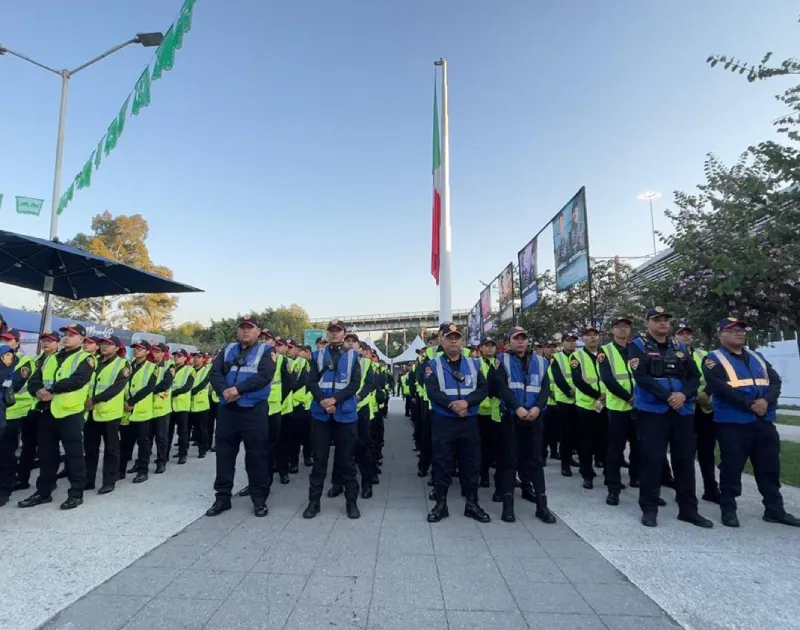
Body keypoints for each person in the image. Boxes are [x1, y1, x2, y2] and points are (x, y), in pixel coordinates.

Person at [703, 317, 800, 528]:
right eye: (733, 330)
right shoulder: (713, 359)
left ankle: (775, 510)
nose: (740, 333)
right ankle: (728, 509)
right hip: (733, 423)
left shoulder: (757, 356)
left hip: (763, 421)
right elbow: (719, 387)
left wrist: (766, 401)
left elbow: (775, 381)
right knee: (731, 467)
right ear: (721, 335)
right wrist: (749, 404)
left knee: (769, 467)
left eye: (742, 330)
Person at [628, 307, 712, 528]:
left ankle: (688, 509)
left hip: (682, 411)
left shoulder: (681, 347)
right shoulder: (637, 346)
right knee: (652, 461)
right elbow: (642, 377)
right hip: (653, 412)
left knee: (684, 461)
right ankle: (649, 508)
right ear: (647, 323)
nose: (663, 323)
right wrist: (668, 397)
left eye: (666, 319)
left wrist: (683, 395)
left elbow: (694, 376)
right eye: (657, 320)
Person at [19, 323, 95, 510]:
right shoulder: (51, 358)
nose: (66, 337)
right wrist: (38, 391)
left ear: (81, 339)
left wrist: (51, 390)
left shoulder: (86, 358)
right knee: (46, 455)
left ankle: (76, 493)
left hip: (70, 413)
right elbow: (35, 379)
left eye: (72, 335)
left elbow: (77, 381)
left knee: (74, 455)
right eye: (65, 334)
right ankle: (44, 492)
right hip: (47, 412)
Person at [207, 315, 276, 518]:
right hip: (228, 409)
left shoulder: (266, 351)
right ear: (238, 331)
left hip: (253, 411)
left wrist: (238, 390)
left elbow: (264, 376)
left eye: (250, 327)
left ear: (258, 331)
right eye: (242, 328)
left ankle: (259, 499)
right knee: (224, 455)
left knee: (257, 456)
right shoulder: (228, 349)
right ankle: (222, 498)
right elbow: (215, 373)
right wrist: (226, 391)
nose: (245, 331)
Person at [425, 322, 490, 524]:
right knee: (443, 462)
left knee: (471, 463)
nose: (453, 341)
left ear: (462, 342)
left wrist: (466, 403)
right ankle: (441, 505)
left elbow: (482, 389)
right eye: (449, 337)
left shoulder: (474, 363)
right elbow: (433, 391)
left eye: (457, 337)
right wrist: (453, 405)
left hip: (468, 421)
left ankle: (472, 504)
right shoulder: (433, 365)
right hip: (445, 421)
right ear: (441, 341)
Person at [491, 326, 557, 524]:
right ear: (508, 342)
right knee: (510, 460)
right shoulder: (501, 361)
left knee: (536, 461)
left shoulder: (541, 361)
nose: (521, 342)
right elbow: (502, 387)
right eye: (516, 338)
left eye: (524, 338)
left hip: (535, 417)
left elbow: (545, 388)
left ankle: (542, 507)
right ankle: (508, 507)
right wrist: (517, 408)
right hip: (512, 417)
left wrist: (537, 408)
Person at [303, 319, 362, 520]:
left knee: (347, 460)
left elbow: (355, 384)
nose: (335, 334)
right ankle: (314, 502)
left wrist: (335, 400)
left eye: (338, 331)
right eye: (331, 331)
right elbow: (310, 381)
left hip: (345, 413)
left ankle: (351, 502)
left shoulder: (354, 356)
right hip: (321, 413)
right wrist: (323, 401)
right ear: (328, 334)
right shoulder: (317, 354)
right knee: (319, 460)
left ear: (344, 333)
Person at [674, 322, 720, 503]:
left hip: (704, 408)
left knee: (707, 451)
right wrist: (691, 394)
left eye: (688, 334)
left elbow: (714, 376)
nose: (686, 337)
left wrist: (706, 393)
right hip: (685, 409)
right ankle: (682, 491)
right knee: (684, 453)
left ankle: (711, 489)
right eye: (681, 334)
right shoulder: (671, 354)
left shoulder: (703, 355)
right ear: (675, 337)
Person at [598, 317, 638, 506]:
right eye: (618, 327)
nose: (623, 329)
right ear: (612, 330)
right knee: (616, 449)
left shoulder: (638, 348)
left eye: (626, 326)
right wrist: (628, 397)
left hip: (640, 406)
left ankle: (636, 478)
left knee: (639, 447)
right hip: (618, 407)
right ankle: (613, 487)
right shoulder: (605, 351)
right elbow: (607, 379)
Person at [84, 335, 129, 494]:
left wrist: (94, 400)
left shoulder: (123, 364)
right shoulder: (93, 361)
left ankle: (109, 481)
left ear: (117, 348)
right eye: (102, 343)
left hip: (109, 413)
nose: (104, 346)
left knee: (111, 449)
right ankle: (88, 480)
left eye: (109, 344)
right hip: (91, 412)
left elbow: (117, 387)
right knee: (90, 448)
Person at [15, 331, 60, 491]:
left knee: (46, 449)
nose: (45, 343)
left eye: (50, 340)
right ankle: (22, 480)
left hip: (50, 409)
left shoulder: (60, 360)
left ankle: (48, 483)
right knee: (28, 447)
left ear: (58, 343)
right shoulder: (36, 360)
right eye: (43, 340)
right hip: (32, 409)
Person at [0, 329, 35, 506]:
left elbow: (14, 384)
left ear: (17, 342)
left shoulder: (24, 361)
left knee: (6, 451)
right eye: (1, 338)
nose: (3, 342)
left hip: (15, 411)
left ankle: (5, 488)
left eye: (8, 340)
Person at [121, 341, 157, 483]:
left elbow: (149, 388)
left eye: (140, 349)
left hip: (141, 410)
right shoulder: (128, 366)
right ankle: (120, 471)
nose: (136, 351)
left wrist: (131, 402)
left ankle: (143, 471)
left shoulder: (152, 367)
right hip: (126, 410)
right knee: (125, 442)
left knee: (143, 442)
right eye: (135, 348)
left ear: (147, 351)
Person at [550, 333, 579, 476]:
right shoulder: (556, 358)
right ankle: (565, 464)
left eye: (574, 341)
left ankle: (571, 459)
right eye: (569, 341)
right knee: (566, 434)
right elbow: (558, 378)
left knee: (576, 434)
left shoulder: (579, 357)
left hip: (580, 400)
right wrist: (569, 391)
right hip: (564, 400)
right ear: (562, 343)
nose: (572, 344)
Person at [150, 343, 175, 474]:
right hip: (148, 407)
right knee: (146, 437)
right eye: (154, 351)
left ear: (164, 353)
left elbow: (165, 384)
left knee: (161, 437)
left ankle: (161, 461)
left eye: (158, 351)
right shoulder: (149, 366)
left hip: (162, 408)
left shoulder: (169, 366)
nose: (155, 353)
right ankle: (142, 461)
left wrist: (148, 391)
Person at [169, 349, 195, 464]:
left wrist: (171, 393)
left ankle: (182, 454)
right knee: (168, 432)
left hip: (182, 405)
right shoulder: (170, 368)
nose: (176, 358)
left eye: (179, 356)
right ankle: (164, 454)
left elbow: (187, 387)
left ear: (185, 358)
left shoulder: (190, 370)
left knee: (182, 432)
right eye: (175, 355)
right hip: (169, 405)